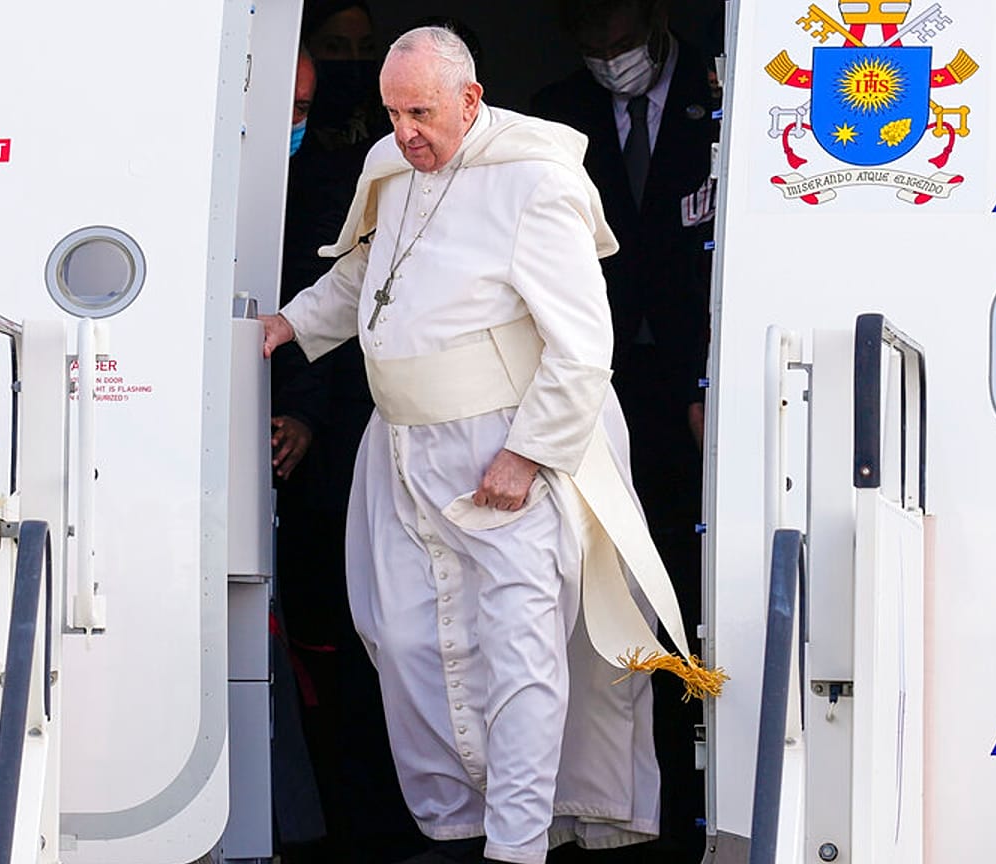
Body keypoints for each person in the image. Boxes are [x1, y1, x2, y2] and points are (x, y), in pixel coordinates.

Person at [261, 26, 716, 864]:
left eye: (422, 112)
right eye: (394, 113)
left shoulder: (537, 180)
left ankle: (517, 845)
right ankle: (464, 825)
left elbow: (583, 344)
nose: (404, 132)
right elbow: (366, 275)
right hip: (400, 453)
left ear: (470, 100)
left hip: (508, 448)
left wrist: (527, 453)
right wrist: (288, 325)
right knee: (404, 637)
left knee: (519, 647)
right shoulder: (395, 169)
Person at [530, 2, 721, 861]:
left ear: (656, 20)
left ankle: (689, 805)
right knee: (598, 595)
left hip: (695, 393)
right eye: (591, 43)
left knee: (688, 586)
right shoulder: (550, 112)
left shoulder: (728, 88)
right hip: (590, 388)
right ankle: (607, 804)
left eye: (621, 39)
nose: (610, 58)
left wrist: (698, 383)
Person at [272, 13, 425, 864]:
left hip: (323, 448)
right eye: (288, 103)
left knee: (361, 641)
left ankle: (364, 831)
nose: (303, 116)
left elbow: (345, 309)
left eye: (308, 101)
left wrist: (305, 415)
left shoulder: (342, 179)